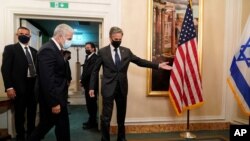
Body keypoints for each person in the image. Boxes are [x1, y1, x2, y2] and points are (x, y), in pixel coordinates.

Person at [89, 26, 172, 141]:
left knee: (121, 116)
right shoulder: (103, 52)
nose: (117, 41)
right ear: (110, 38)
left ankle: (121, 138)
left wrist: (157, 65)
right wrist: (92, 87)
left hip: (122, 88)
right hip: (108, 88)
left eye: (119, 39)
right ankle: (105, 139)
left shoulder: (126, 51)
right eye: (115, 39)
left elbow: (139, 61)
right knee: (106, 117)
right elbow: (95, 71)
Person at [28, 24, 73, 141]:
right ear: (60, 36)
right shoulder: (48, 49)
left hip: (58, 96)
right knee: (44, 126)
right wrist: (54, 103)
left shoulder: (56, 49)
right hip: (52, 98)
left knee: (62, 126)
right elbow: (47, 79)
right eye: (69, 38)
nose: (70, 41)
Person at [1, 27, 37, 141]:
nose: (24, 35)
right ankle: (20, 136)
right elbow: (5, 69)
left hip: (33, 86)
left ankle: (32, 135)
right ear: (17, 34)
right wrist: (9, 87)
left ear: (30, 36)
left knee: (32, 113)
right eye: (22, 33)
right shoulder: (10, 49)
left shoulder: (34, 51)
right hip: (18, 87)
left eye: (27, 34)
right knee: (19, 114)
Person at [80, 42, 98, 129]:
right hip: (87, 84)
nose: (86, 49)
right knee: (89, 104)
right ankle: (90, 120)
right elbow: (85, 70)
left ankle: (93, 122)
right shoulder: (87, 57)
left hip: (92, 86)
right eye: (85, 48)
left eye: (88, 48)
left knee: (92, 104)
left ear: (93, 49)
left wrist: (83, 79)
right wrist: (81, 79)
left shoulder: (95, 58)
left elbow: (90, 72)